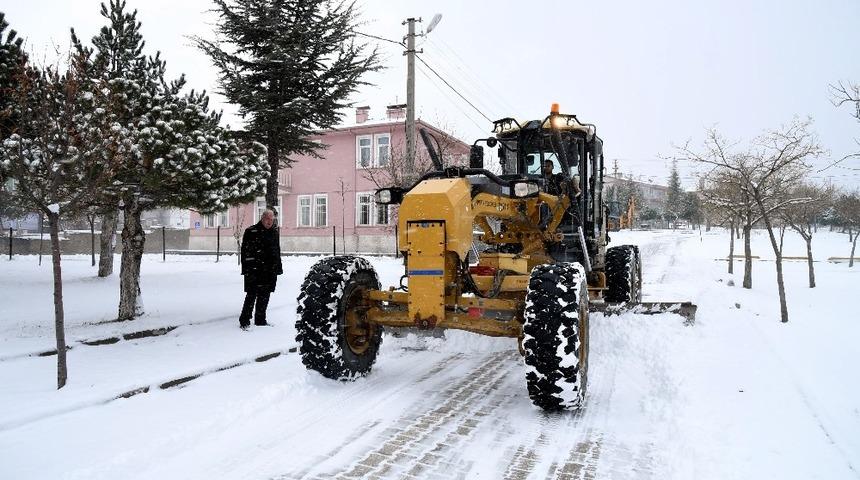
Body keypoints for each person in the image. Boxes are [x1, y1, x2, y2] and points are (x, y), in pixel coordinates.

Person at [239, 209, 282, 329]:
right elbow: (245, 252)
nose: (269, 222)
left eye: (272, 219)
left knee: (265, 295)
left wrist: (278, 267)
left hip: (269, 270)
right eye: (267, 219)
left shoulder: (274, 232)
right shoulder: (251, 231)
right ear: (262, 218)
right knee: (251, 295)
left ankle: (260, 320)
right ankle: (244, 320)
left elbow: (277, 251)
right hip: (254, 270)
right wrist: (247, 269)